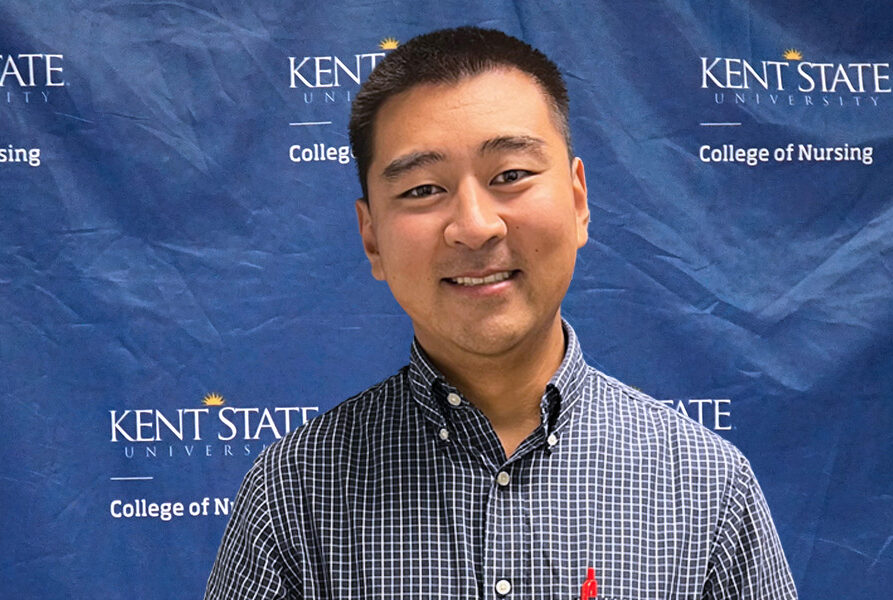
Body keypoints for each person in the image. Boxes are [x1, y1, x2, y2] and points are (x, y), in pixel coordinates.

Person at [205, 26, 797, 599]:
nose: (474, 226)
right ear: (371, 238)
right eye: (422, 190)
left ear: (578, 199)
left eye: (510, 176)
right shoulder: (293, 494)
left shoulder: (705, 487)